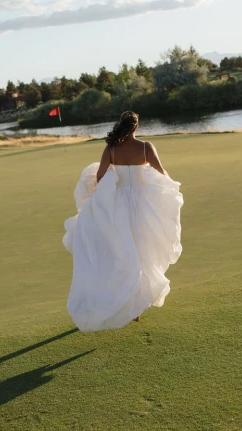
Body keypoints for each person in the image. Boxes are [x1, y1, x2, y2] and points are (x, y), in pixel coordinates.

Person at [63, 111, 183, 332]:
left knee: (124, 252)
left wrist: (113, 181)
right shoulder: (146, 148)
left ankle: (129, 303)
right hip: (142, 206)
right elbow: (162, 173)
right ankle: (135, 305)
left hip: (119, 207)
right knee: (141, 252)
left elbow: (100, 178)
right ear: (135, 127)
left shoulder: (110, 149)